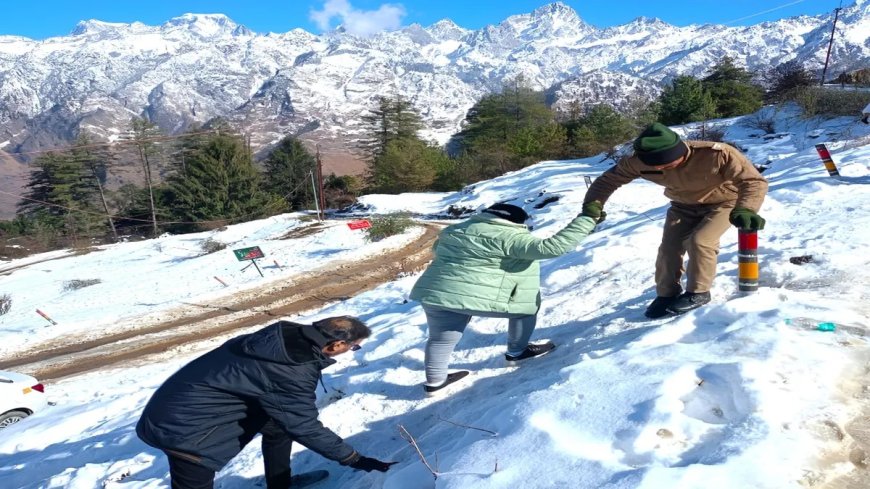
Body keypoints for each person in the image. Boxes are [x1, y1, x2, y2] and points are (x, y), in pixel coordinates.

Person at [136, 316, 395, 489]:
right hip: (183, 429)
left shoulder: (284, 337)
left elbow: (286, 417)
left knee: (277, 426)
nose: (352, 351)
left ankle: (279, 485)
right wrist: (355, 459)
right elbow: (304, 426)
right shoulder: (291, 368)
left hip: (188, 403)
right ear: (337, 344)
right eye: (354, 347)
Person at [409, 202, 600, 395]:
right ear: (515, 221)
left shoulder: (453, 230)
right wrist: (587, 220)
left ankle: (435, 381)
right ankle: (517, 352)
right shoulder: (511, 236)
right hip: (470, 296)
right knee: (524, 311)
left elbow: (437, 249)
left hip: (435, 293)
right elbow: (551, 248)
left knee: (440, 339)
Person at [583, 122, 768, 319]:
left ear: (680, 152)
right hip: (682, 206)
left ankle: (698, 293)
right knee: (668, 248)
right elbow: (608, 181)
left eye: (668, 164)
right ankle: (666, 294)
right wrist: (592, 205)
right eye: (657, 166)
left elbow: (753, 181)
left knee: (700, 241)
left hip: (724, 202)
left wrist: (746, 209)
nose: (662, 168)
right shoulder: (638, 162)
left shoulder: (717, 154)